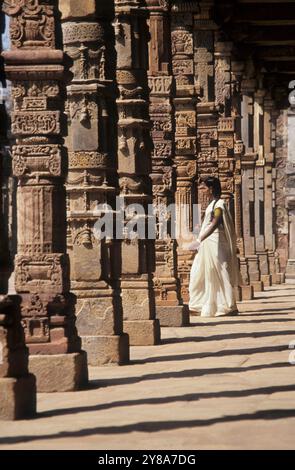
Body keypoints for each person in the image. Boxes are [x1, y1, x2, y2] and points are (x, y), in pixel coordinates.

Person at [189, 177, 242, 317]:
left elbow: (215, 224)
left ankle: (228, 306)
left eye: (204, 188)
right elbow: (208, 223)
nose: (202, 191)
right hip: (208, 244)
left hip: (217, 243)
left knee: (221, 272)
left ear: (211, 189)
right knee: (199, 272)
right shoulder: (212, 204)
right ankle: (199, 304)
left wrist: (199, 239)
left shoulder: (219, 204)